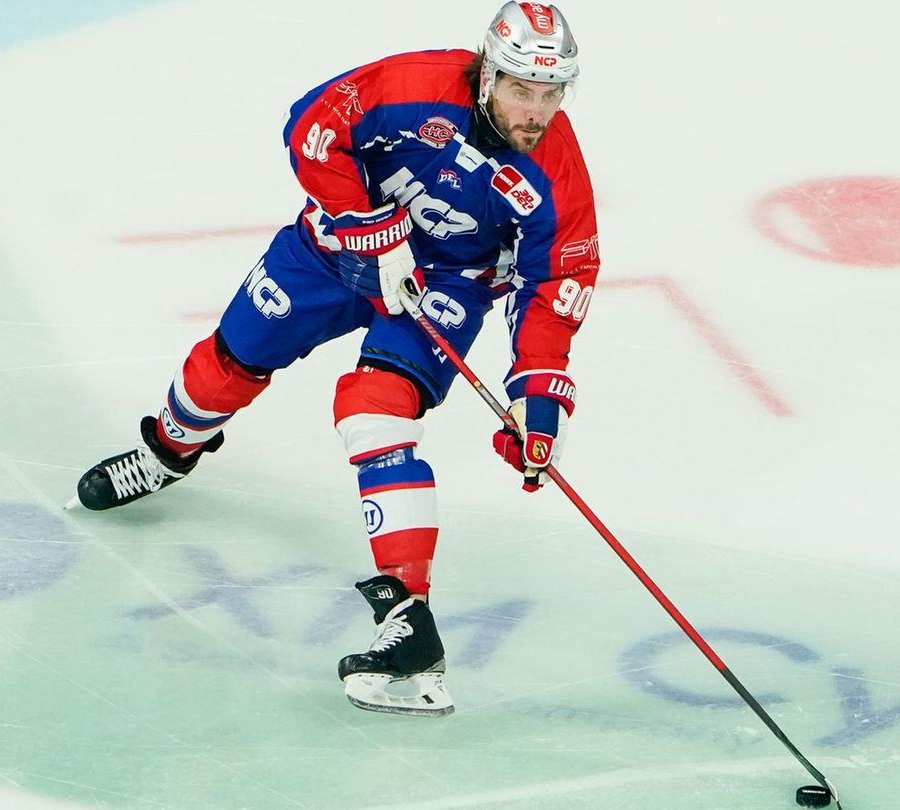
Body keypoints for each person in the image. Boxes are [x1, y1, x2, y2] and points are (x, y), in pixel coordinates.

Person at [70, 1, 598, 717]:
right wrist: (367, 225)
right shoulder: (413, 86)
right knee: (229, 363)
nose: (535, 112)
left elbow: (556, 283)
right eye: (520, 90)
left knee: (374, 410)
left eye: (551, 93)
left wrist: (538, 398)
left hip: (443, 285)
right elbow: (312, 127)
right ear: (486, 75)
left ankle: (408, 619)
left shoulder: (558, 177)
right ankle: (167, 452)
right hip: (335, 249)